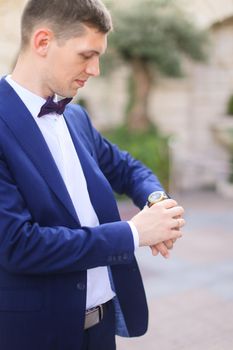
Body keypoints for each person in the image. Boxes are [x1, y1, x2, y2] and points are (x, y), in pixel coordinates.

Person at [0, 0, 185, 349]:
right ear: (42, 42)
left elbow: (127, 168)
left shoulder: (76, 117)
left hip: (101, 332)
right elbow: (18, 245)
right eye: (87, 55)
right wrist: (133, 233)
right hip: (34, 336)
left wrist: (158, 204)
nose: (95, 69)